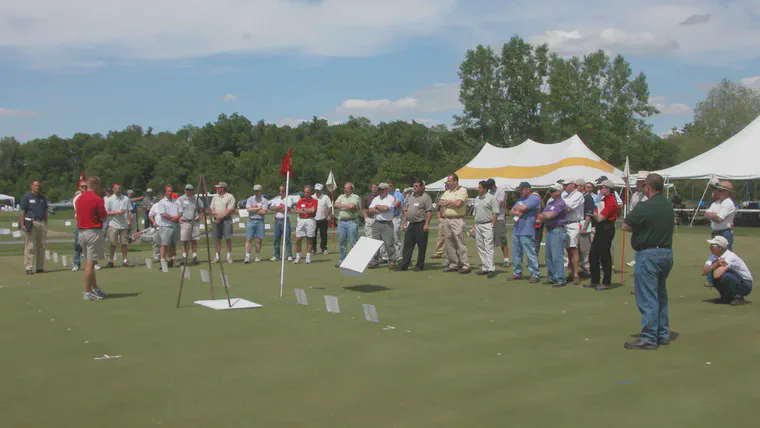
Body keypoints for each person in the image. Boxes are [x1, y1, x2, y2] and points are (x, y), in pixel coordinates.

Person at [622, 173, 674, 350]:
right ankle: (662, 333)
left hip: (649, 254)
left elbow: (626, 225)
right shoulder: (668, 205)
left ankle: (649, 337)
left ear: (648, 187)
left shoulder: (646, 205)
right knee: (660, 295)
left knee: (647, 297)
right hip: (666, 252)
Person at [76, 176, 108, 301]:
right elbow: (103, 217)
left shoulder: (79, 199)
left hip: (82, 232)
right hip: (93, 232)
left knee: (91, 261)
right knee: (90, 264)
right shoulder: (97, 199)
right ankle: (87, 291)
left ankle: (94, 288)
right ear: (95, 186)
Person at [701, 236, 752, 306]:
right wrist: (715, 265)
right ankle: (725, 298)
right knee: (716, 275)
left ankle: (738, 297)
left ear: (720, 248)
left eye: (713, 246)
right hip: (736, 280)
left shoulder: (730, 257)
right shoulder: (713, 256)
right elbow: (703, 272)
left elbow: (716, 275)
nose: (710, 247)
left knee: (724, 276)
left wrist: (713, 267)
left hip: (746, 284)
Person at [589, 179, 618, 290]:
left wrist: (595, 214)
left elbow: (600, 217)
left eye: (602, 188)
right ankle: (595, 280)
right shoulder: (604, 199)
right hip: (601, 227)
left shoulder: (611, 201)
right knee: (594, 254)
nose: (600, 189)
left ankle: (606, 281)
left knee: (604, 255)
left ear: (608, 188)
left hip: (607, 227)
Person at [438, 174, 470, 274]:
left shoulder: (462, 191)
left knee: (459, 242)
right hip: (447, 219)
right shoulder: (447, 192)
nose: (448, 183)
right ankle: (453, 264)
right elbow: (440, 202)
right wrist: (451, 202)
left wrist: (448, 203)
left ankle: (465, 265)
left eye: (450, 181)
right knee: (449, 243)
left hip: (457, 219)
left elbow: (458, 204)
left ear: (455, 181)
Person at [399, 179, 433, 272]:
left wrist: (427, 224)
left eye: (416, 186)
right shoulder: (411, 196)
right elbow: (406, 210)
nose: (414, 188)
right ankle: (404, 264)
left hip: (421, 223)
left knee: (421, 246)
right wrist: (404, 222)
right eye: (413, 186)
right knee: (407, 245)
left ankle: (419, 265)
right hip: (411, 224)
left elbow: (429, 212)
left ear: (422, 187)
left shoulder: (426, 197)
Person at [509, 182, 541, 283]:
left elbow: (522, 208)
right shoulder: (521, 200)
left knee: (530, 253)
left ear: (528, 189)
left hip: (527, 230)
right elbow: (511, 211)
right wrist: (517, 210)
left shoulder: (534, 198)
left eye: (522, 189)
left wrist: (518, 209)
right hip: (517, 230)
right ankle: (517, 272)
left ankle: (535, 273)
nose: (520, 191)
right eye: (520, 189)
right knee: (516, 253)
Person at [540, 182, 568, 287]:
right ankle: (552, 277)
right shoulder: (550, 203)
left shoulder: (561, 203)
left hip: (558, 230)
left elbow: (550, 215)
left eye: (552, 191)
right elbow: (543, 216)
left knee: (557, 256)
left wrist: (543, 215)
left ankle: (560, 279)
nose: (550, 193)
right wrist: (543, 215)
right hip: (550, 230)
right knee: (549, 256)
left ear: (558, 192)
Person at [471, 180, 499, 278]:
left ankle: (491, 268)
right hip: (478, 225)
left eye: (480, 187)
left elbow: (495, 212)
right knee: (480, 246)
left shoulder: (491, 198)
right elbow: (475, 213)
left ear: (485, 189)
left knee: (488, 246)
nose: (478, 189)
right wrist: (474, 225)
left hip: (487, 224)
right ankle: (485, 267)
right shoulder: (477, 199)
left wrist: (493, 224)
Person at [19, 180, 48, 275]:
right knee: (30, 246)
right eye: (35, 185)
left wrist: (46, 223)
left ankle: (40, 267)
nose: (37, 187)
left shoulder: (42, 198)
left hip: (41, 222)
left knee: (41, 246)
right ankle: (28, 267)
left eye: (38, 186)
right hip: (31, 222)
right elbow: (22, 211)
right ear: (31, 186)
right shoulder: (27, 197)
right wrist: (22, 224)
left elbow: (45, 211)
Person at [368, 183, 398, 269]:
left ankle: (392, 261)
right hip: (377, 222)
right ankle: (374, 261)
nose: (379, 191)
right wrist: (378, 209)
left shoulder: (391, 198)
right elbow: (370, 209)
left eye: (381, 189)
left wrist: (377, 207)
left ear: (386, 190)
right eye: (379, 189)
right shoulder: (376, 198)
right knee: (374, 243)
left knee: (389, 243)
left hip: (387, 223)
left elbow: (386, 208)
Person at [561, 179, 584, 285]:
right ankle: (571, 273)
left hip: (574, 223)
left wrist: (558, 207)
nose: (564, 187)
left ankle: (576, 274)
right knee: (568, 249)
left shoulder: (578, 195)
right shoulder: (565, 195)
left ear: (573, 185)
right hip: (565, 223)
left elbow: (567, 208)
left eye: (566, 185)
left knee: (573, 249)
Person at [104, 183, 132, 268]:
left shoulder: (125, 198)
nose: (118, 190)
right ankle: (111, 261)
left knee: (124, 243)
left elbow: (129, 211)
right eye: (116, 189)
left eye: (119, 188)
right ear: (113, 189)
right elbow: (106, 212)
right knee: (113, 243)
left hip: (124, 225)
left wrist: (129, 222)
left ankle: (125, 260)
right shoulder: (109, 200)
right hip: (113, 224)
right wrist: (117, 212)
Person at [334, 182, 361, 267]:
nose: (345, 189)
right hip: (341, 222)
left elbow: (352, 206)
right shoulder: (341, 196)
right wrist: (346, 206)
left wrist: (341, 206)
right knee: (342, 242)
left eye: (347, 188)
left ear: (351, 189)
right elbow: (335, 204)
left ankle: (354, 261)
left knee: (353, 241)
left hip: (351, 222)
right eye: (345, 188)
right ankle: (342, 261)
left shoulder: (355, 196)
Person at [153, 185, 181, 268]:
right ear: (165, 192)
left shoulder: (176, 201)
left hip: (175, 225)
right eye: (168, 191)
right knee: (164, 244)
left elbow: (180, 211)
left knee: (173, 244)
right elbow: (162, 213)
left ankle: (172, 259)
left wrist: (177, 217)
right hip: (165, 226)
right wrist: (172, 217)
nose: (170, 193)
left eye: (171, 191)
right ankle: (162, 261)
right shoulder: (162, 202)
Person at [626, 172, 649, 267]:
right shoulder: (635, 195)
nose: (637, 184)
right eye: (637, 182)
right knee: (637, 241)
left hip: (647, 224)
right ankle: (636, 258)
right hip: (637, 224)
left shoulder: (649, 196)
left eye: (639, 182)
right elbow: (631, 209)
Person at [704, 180, 736, 249]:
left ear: (727, 192)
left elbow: (719, 219)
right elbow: (706, 214)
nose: (717, 191)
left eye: (720, 190)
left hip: (725, 233)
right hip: (715, 232)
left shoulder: (728, 203)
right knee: (716, 254)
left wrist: (712, 215)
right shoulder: (715, 203)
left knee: (725, 255)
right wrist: (715, 215)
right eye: (717, 189)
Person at [177, 184, 203, 265]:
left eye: (190, 189)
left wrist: (201, 216)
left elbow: (202, 208)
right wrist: (178, 218)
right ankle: (184, 257)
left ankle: (194, 257)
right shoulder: (180, 199)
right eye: (187, 189)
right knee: (185, 240)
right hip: (185, 221)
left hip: (194, 221)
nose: (188, 191)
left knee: (194, 240)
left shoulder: (196, 198)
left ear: (192, 190)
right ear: (185, 190)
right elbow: (176, 209)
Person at [210, 182, 235, 264]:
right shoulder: (215, 197)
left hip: (226, 220)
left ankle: (228, 257)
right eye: (217, 187)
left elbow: (229, 209)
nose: (217, 189)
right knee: (217, 239)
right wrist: (216, 216)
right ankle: (217, 257)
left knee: (227, 238)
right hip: (216, 220)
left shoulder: (230, 197)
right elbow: (212, 208)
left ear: (223, 188)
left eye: (219, 187)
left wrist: (221, 217)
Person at [268, 185, 293, 262]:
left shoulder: (288, 199)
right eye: (280, 191)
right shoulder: (276, 199)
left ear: (285, 191)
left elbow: (287, 209)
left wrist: (277, 208)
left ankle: (289, 255)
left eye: (282, 191)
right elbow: (271, 208)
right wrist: (279, 207)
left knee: (287, 239)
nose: (281, 192)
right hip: (277, 221)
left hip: (285, 220)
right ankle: (276, 255)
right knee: (276, 239)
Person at [363, 183, 387, 262]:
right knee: (370, 239)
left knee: (381, 239)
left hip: (379, 219)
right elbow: (364, 208)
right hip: (370, 219)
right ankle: (373, 257)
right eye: (373, 187)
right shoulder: (367, 197)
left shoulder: (381, 197)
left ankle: (384, 256)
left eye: (375, 187)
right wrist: (365, 217)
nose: (374, 189)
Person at [294, 185, 318, 264]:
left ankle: (308, 257)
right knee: (298, 239)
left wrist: (303, 209)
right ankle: (298, 257)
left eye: (307, 192)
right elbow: (297, 210)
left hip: (310, 220)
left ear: (311, 193)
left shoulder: (314, 200)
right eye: (305, 192)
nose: (306, 194)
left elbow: (313, 210)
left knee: (309, 239)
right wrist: (307, 210)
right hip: (301, 220)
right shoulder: (301, 200)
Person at [489, 178, 510, 267]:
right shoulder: (489, 193)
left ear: (493, 185)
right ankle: (490, 260)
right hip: (489, 218)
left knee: (502, 239)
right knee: (490, 240)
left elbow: (499, 204)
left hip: (499, 218)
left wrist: (489, 205)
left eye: (490, 187)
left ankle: (506, 260)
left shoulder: (500, 191)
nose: (489, 189)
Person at [578, 181, 596, 277]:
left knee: (585, 248)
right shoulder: (579, 197)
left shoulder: (587, 197)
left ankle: (587, 268)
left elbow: (589, 213)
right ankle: (582, 267)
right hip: (579, 223)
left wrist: (585, 226)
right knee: (580, 248)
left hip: (585, 224)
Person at [311, 183, 332, 255]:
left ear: (321, 190)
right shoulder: (312, 197)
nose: (317, 191)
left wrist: (326, 215)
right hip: (313, 219)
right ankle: (313, 249)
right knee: (313, 235)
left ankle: (324, 249)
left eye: (318, 190)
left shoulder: (325, 197)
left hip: (323, 219)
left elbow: (330, 207)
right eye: (316, 190)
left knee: (323, 235)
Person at [72, 179, 88, 272]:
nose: (85, 188)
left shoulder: (92, 196)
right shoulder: (76, 199)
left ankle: (93, 263)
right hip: (81, 222)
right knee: (78, 244)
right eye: (83, 187)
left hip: (90, 223)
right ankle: (76, 263)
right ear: (79, 188)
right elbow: (80, 211)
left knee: (91, 244)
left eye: (86, 187)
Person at [389, 182, 405, 258]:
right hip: (387, 218)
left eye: (390, 186)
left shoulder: (398, 194)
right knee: (388, 239)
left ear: (393, 186)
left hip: (395, 217)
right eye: (387, 186)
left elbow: (395, 205)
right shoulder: (385, 195)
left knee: (396, 238)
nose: (388, 188)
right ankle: (389, 256)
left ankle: (398, 256)